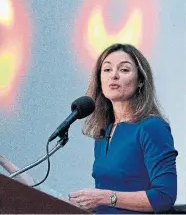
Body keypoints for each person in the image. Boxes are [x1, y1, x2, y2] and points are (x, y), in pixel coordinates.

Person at [68, 43, 178, 214]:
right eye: (107, 70)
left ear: (140, 81)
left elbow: (164, 196)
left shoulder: (152, 128)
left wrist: (104, 198)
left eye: (124, 70)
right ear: (99, 80)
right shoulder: (103, 133)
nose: (114, 75)